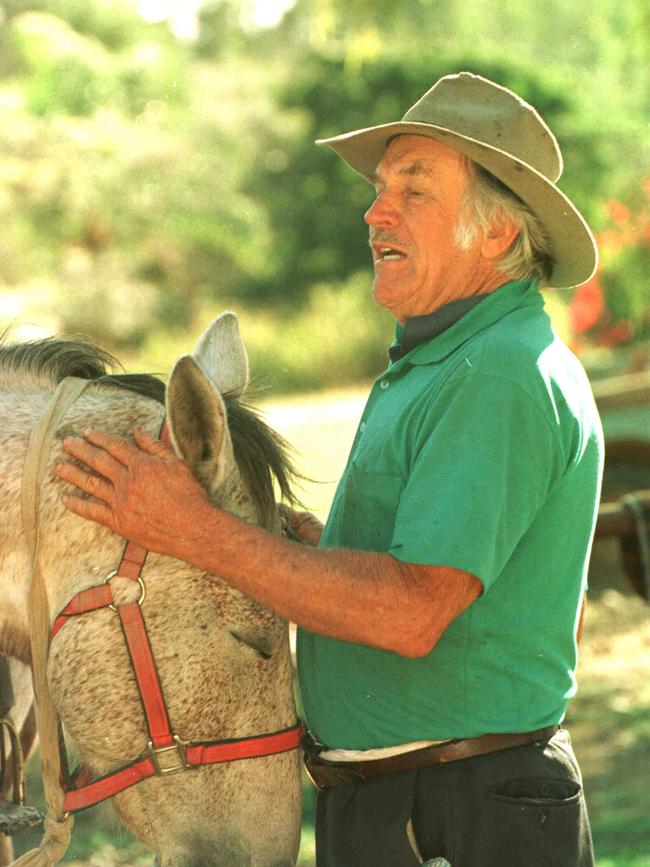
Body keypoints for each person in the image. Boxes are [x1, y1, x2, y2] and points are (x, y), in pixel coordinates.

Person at [56, 72, 603, 866]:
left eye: (414, 192)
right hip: (418, 799)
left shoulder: (498, 373)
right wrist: (314, 555)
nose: (375, 212)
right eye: (381, 190)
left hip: (457, 811)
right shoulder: (448, 362)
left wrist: (194, 530)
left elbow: (411, 614)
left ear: (495, 235)